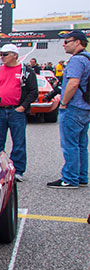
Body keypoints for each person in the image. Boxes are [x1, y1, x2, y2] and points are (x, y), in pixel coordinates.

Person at [0, 44, 38, 182]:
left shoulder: (26, 71)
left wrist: (23, 106)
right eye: (1, 54)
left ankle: (18, 170)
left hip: (16, 110)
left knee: (19, 142)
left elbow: (33, 92)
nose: (2, 57)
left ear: (14, 55)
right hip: (0, 110)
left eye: (5, 54)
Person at [48, 31, 90, 189]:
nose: (64, 44)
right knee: (81, 144)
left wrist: (64, 102)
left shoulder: (77, 60)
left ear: (78, 42)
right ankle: (81, 176)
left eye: (67, 41)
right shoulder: (88, 58)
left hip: (74, 107)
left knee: (70, 144)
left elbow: (73, 83)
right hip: (86, 107)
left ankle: (70, 178)